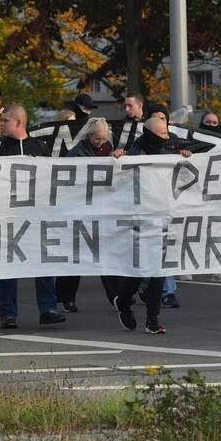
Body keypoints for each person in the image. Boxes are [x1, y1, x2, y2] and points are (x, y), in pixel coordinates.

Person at [0, 103, 65, 329]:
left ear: (18, 122)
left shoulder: (39, 147)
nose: (1, 124)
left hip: (36, 214)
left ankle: (48, 309)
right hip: (8, 215)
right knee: (8, 264)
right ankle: (8, 313)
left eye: (5, 120)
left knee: (42, 260)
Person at [109, 116, 172, 334]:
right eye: (163, 134)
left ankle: (152, 320)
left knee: (158, 270)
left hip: (161, 219)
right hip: (137, 221)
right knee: (138, 270)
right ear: (151, 135)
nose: (167, 137)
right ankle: (123, 301)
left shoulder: (167, 153)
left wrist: (184, 157)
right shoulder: (132, 155)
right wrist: (115, 160)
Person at [56, 118, 124, 312]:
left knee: (104, 255)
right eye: (97, 139)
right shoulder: (77, 153)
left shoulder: (108, 148)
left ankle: (117, 296)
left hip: (100, 210)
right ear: (89, 136)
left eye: (103, 138)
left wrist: (118, 157)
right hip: (80, 209)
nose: (100, 142)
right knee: (76, 255)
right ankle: (66, 298)